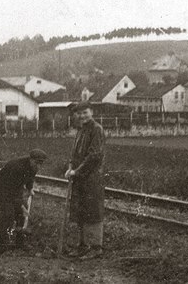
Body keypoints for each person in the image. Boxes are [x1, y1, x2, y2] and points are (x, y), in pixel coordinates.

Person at [64, 101, 105, 260]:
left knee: (93, 211)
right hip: (79, 178)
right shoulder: (81, 130)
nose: (82, 116)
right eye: (79, 113)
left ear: (91, 112)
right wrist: (70, 168)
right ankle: (83, 246)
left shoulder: (96, 129)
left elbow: (94, 156)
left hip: (92, 178)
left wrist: (77, 171)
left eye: (85, 112)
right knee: (80, 211)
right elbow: (75, 154)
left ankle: (95, 248)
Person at [0, 149, 47, 252]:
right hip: (2, 189)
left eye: (41, 163)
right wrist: (21, 206)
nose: (39, 166)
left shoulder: (34, 166)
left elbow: (30, 177)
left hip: (14, 190)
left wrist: (30, 188)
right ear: (31, 160)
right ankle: (0, 245)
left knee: (21, 215)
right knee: (8, 214)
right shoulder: (17, 167)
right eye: (37, 163)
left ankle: (20, 243)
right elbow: (13, 190)